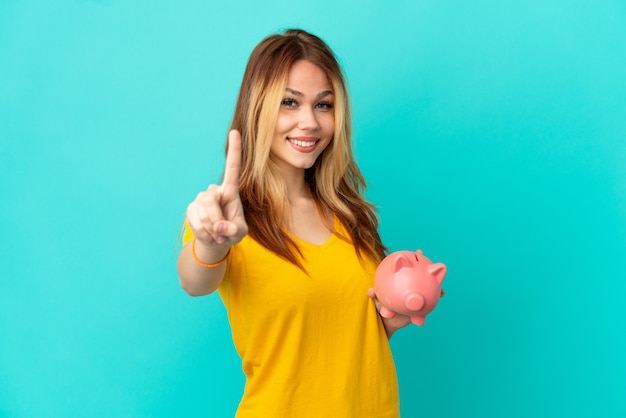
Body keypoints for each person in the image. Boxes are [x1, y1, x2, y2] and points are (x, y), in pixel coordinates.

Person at [177, 28, 412, 417]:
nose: (310, 123)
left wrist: (391, 319)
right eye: (290, 102)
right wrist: (212, 242)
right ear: (257, 107)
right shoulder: (229, 217)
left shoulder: (349, 213)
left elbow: (337, 340)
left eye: (323, 105)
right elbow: (194, 281)